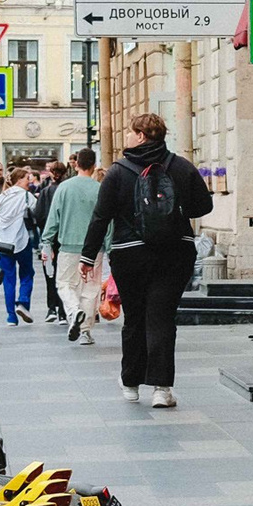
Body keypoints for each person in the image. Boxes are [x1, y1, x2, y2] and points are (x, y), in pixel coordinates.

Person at [80, 114, 213, 407]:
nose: (127, 137)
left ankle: (130, 384)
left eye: (130, 132)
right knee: (162, 317)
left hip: (130, 254)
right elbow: (204, 205)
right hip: (175, 253)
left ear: (140, 135)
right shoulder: (180, 167)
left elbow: (101, 216)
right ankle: (162, 390)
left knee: (136, 318)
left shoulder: (117, 172)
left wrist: (88, 256)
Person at [44, 150, 103, 343]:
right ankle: (85, 331)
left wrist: (46, 241)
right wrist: (108, 245)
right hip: (95, 248)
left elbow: (54, 217)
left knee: (64, 284)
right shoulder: (99, 188)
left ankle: (73, 310)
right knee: (91, 288)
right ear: (94, 165)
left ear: (76, 164)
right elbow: (107, 220)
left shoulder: (64, 188)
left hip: (69, 245)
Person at [0, 166, 38, 324]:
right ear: (19, 180)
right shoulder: (26, 196)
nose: (29, 182)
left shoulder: (4, 195)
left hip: (3, 240)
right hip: (20, 239)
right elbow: (37, 209)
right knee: (27, 273)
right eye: (26, 179)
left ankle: (11, 316)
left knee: (8, 279)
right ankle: (23, 302)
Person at [32, 160, 70, 323]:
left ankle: (51, 308)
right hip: (66, 236)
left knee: (50, 272)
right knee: (65, 274)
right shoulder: (67, 190)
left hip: (49, 237)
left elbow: (39, 215)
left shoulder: (46, 191)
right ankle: (63, 309)